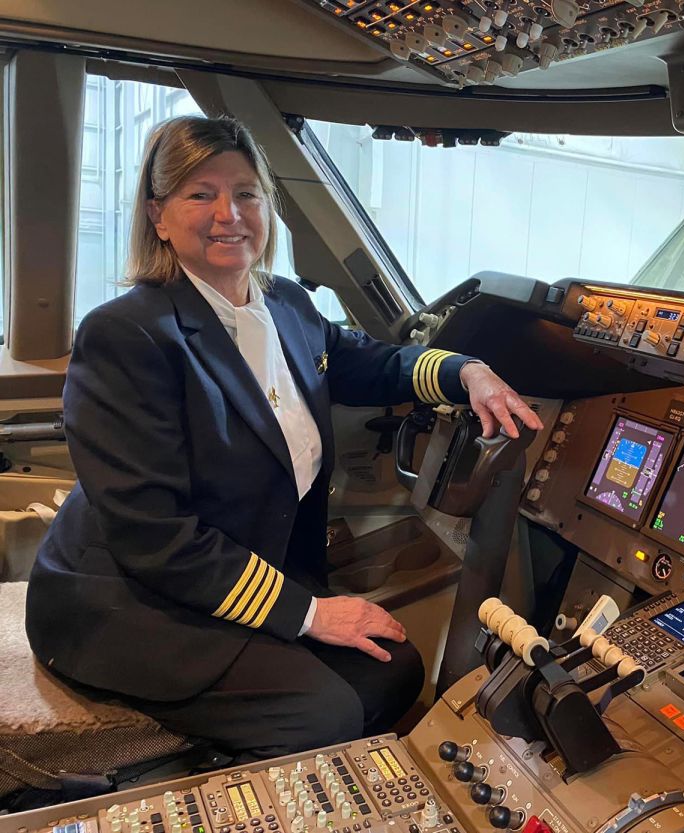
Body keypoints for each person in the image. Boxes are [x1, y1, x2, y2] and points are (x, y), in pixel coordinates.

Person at [24, 115, 543, 760]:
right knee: (322, 715)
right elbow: (155, 536)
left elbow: (371, 362)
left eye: (246, 193)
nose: (229, 214)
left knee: (396, 669)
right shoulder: (126, 335)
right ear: (158, 216)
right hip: (129, 597)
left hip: (230, 574)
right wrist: (313, 614)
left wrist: (466, 372)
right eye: (201, 194)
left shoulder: (286, 306)